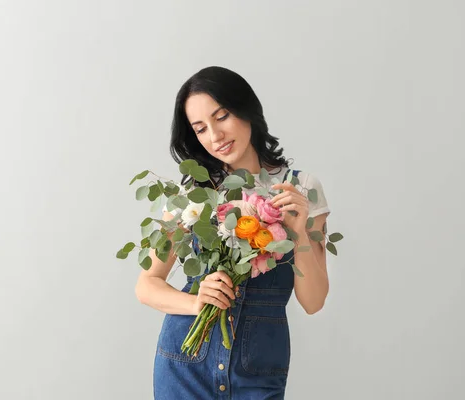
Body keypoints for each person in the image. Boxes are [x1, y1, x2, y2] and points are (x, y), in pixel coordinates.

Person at [135, 66, 331, 399]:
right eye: (200, 129)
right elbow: (146, 285)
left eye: (222, 116)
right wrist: (197, 301)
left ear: (246, 109)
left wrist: (298, 235)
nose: (215, 136)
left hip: (257, 369)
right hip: (185, 366)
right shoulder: (192, 196)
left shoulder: (300, 188)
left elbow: (313, 302)